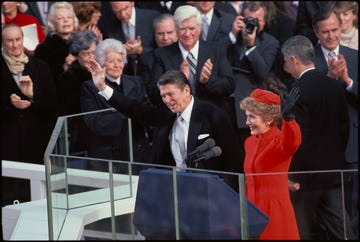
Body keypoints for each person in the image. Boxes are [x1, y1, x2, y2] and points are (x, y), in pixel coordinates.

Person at [88, 62, 243, 190]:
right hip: (173, 189)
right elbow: (134, 109)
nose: (167, 100)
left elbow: (233, 159)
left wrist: (230, 195)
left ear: (186, 90)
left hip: (210, 190)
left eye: (171, 94)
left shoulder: (213, 114)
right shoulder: (165, 113)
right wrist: (102, 87)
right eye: (163, 96)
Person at [281, 35, 353, 240]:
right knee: (343, 231)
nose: (285, 66)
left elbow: (299, 138)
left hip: (305, 178)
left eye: (285, 61)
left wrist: (292, 174)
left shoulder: (298, 91)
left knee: (300, 231)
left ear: (294, 60)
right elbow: (344, 130)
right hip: (333, 172)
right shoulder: (334, 86)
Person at [311, 6, 358, 238]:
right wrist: (329, 80)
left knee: (354, 211)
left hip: (353, 148)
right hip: (323, 152)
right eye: (325, 31)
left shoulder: (354, 57)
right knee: (332, 216)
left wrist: (347, 80)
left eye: (335, 30)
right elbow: (303, 104)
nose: (331, 36)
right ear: (316, 33)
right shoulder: (307, 58)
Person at [1, 23, 58, 205]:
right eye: (9, 41)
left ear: (23, 40)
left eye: (18, 39)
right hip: (7, 145)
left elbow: (53, 106)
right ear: (3, 43)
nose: (15, 45)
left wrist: (33, 97)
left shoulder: (40, 67)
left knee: (35, 199)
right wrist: (9, 103)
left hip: (34, 144)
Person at [150, 5, 235, 118]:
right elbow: (153, 93)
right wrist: (178, 81)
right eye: (182, 29)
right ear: (176, 29)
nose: (187, 33)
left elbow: (230, 85)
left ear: (199, 28)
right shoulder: (162, 54)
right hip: (175, 117)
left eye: (191, 28)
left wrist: (207, 82)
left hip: (210, 116)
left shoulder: (215, 50)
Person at [80, 38, 151, 173]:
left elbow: (146, 112)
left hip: (137, 149)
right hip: (108, 152)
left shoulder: (136, 82)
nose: (116, 65)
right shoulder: (90, 87)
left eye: (120, 60)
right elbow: (93, 120)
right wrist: (130, 116)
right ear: (101, 63)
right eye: (111, 61)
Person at [240, 87, 301, 240]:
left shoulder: (279, 141)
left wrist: (288, 118)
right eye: (247, 116)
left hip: (274, 214)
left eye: (252, 117)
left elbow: (292, 142)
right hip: (251, 211)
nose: (247, 122)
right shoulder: (250, 142)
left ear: (268, 119)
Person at [224, 1, 280, 161]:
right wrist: (232, 35)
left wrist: (251, 46)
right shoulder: (232, 38)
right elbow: (215, 54)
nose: (253, 24)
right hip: (226, 107)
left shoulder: (270, 42)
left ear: (264, 21)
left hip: (249, 111)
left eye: (257, 20)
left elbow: (262, 72)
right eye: (249, 19)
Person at [58, 30, 99, 155]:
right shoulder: (68, 77)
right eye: (86, 54)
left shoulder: (104, 70)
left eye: (94, 52)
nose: (91, 58)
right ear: (77, 55)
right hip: (82, 132)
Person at [98, 1, 159, 76]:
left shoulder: (152, 18)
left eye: (125, 8)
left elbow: (162, 50)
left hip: (152, 72)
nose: (123, 15)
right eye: (118, 12)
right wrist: (120, 50)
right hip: (125, 76)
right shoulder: (108, 24)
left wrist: (140, 50)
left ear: (132, 3)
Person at [34, 1, 79, 102]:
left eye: (69, 17)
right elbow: (43, 85)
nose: (66, 21)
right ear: (52, 23)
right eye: (60, 18)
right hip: (61, 102)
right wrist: (64, 68)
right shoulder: (43, 50)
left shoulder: (82, 44)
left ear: (74, 20)